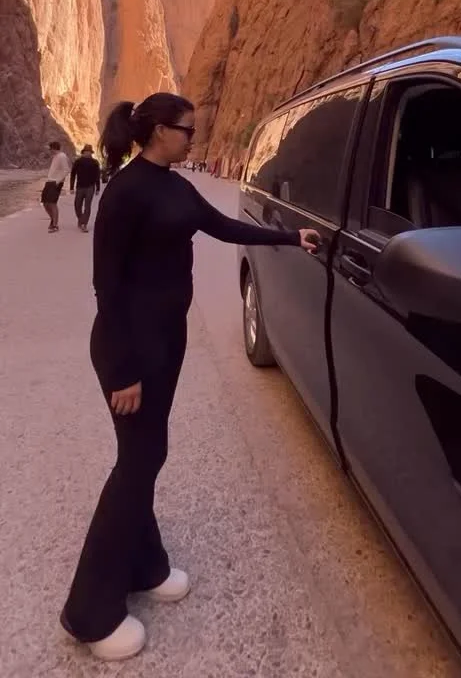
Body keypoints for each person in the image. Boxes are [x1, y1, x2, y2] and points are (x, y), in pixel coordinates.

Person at [60, 92, 319, 662]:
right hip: (129, 353)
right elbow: (107, 288)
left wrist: (289, 237)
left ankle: (145, 565)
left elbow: (223, 226)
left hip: (164, 346)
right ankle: (90, 612)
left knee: (147, 455)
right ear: (158, 131)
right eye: (187, 131)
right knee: (138, 462)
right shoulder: (125, 193)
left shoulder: (175, 186)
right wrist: (123, 372)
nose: (193, 140)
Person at [70, 144, 102, 232]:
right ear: (83, 152)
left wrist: (98, 188)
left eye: (89, 152)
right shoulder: (78, 161)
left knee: (87, 206)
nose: (88, 153)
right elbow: (73, 174)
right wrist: (71, 187)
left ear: (91, 153)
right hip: (79, 187)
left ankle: (84, 224)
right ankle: (81, 219)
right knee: (77, 205)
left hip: (90, 187)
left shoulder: (95, 162)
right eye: (86, 152)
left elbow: (97, 175)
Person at [41, 141, 70, 232]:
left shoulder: (62, 156)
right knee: (45, 203)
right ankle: (53, 219)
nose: (50, 151)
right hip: (49, 181)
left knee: (52, 203)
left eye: (50, 149)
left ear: (53, 148)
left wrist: (58, 181)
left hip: (55, 182)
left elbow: (66, 170)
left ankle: (55, 225)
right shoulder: (55, 157)